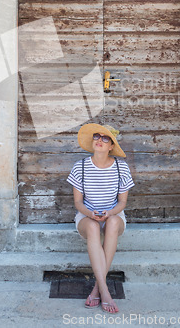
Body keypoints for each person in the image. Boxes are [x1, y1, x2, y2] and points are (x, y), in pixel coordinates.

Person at [67, 123, 135, 314]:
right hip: (86, 216)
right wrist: (91, 214)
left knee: (112, 223)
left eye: (105, 138)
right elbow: (78, 203)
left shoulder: (121, 167)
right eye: (97, 136)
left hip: (113, 215)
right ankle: (105, 292)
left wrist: (110, 213)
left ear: (111, 145)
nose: (100, 141)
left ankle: (97, 289)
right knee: (93, 228)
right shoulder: (80, 167)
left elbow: (122, 203)